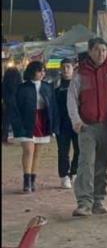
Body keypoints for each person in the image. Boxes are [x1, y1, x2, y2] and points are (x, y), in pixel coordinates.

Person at [68, 37, 107, 217]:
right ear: (90, 51)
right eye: (97, 50)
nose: (101, 53)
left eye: (104, 50)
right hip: (87, 127)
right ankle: (84, 202)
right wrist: (76, 120)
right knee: (85, 164)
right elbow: (72, 99)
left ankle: (99, 200)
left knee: (103, 165)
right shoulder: (80, 73)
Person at [9, 61, 57, 192]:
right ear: (32, 72)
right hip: (26, 122)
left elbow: (53, 107)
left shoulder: (47, 87)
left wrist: (54, 126)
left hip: (42, 121)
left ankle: (33, 179)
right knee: (28, 151)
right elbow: (14, 108)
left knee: (37, 153)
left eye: (44, 71)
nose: (43, 73)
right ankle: (26, 180)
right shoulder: (21, 88)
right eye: (39, 70)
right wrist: (16, 125)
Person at [55, 58, 80, 189]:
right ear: (60, 69)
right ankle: (64, 176)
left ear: (73, 68)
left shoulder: (78, 85)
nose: (66, 69)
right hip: (62, 125)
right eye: (63, 67)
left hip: (77, 123)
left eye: (68, 67)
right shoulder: (56, 87)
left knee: (79, 149)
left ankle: (74, 172)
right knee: (63, 151)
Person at [3, 64, 24, 143]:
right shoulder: (17, 77)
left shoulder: (5, 79)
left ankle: (4, 137)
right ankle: (19, 136)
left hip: (7, 101)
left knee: (6, 121)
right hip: (15, 101)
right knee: (18, 119)